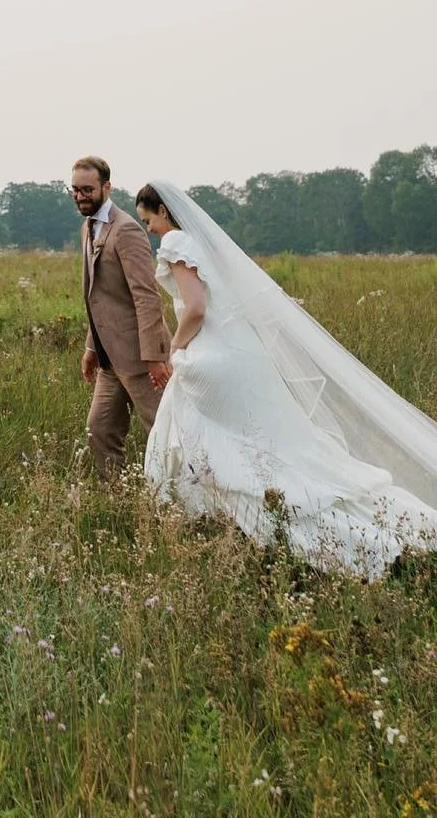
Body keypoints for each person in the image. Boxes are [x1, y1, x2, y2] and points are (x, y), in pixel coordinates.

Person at [137, 179, 437, 577]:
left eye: (149, 220)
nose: (149, 229)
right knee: (266, 445)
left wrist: (176, 350)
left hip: (211, 357)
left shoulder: (176, 241)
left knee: (221, 448)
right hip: (239, 354)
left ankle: (306, 534)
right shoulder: (204, 245)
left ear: (164, 211)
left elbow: (195, 308)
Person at [71, 156, 171, 478]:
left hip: (141, 358)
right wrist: (91, 347)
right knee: (99, 431)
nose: (80, 196)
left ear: (107, 187)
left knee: (163, 431)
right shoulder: (87, 229)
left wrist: (155, 356)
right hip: (108, 359)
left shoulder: (126, 229)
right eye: (75, 190)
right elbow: (98, 297)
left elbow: (146, 296)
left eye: (87, 189)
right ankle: (115, 497)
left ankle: (179, 496)